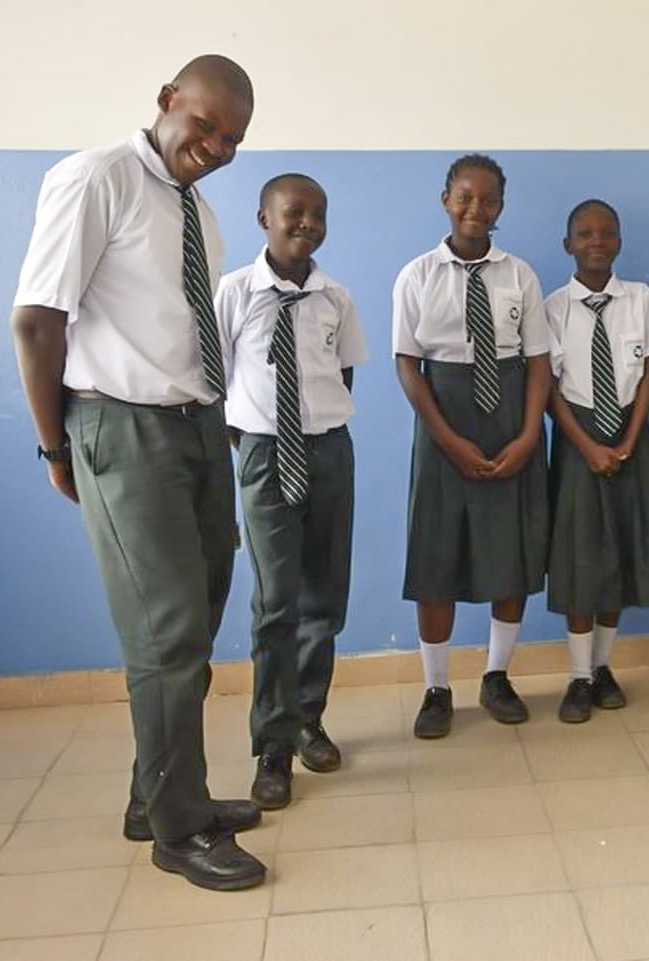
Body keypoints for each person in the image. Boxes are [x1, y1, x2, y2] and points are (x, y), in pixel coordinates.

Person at [9, 55, 266, 889]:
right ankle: (179, 830)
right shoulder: (98, 179)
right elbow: (38, 319)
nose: (216, 145)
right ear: (167, 101)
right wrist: (57, 446)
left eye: (232, 138)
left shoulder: (198, 208)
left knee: (196, 618)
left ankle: (151, 796)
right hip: (122, 426)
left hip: (196, 430)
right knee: (165, 634)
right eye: (205, 125)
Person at [216, 173, 367, 808]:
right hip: (263, 451)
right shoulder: (234, 293)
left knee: (323, 598)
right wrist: (254, 446)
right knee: (276, 603)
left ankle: (309, 719)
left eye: (317, 214)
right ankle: (272, 747)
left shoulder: (334, 297)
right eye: (293, 212)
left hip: (329, 450)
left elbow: (347, 371)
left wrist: (318, 434)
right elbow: (214, 379)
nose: (306, 223)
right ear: (263, 218)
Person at [391, 154, 550, 739]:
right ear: (445, 200)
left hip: (510, 413)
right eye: (465, 197)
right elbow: (407, 364)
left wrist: (531, 433)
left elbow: (538, 360)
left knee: (510, 551)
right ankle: (437, 688)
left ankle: (497, 675)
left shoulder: (520, 276)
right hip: (444, 418)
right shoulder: (417, 275)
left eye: (487, 201)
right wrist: (448, 439)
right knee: (437, 558)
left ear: (501, 208)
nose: (475, 209)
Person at [543, 199, 649, 723]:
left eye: (607, 234)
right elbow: (550, 390)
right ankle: (578, 677)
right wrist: (587, 446)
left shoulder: (641, 300)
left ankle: (603, 668)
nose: (596, 242)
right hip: (580, 441)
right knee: (583, 559)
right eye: (584, 234)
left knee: (620, 553)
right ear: (569, 245)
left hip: (631, 437)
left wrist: (629, 437)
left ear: (620, 242)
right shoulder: (553, 308)